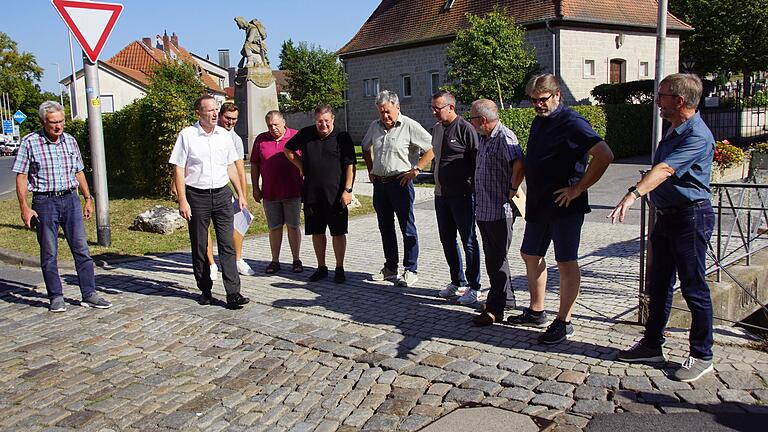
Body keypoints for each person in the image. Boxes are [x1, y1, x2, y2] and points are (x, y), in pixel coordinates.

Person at [611, 73, 716, 383]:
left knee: (694, 287)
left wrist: (633, 194)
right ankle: (652, 344)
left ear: (679, 101)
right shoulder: (673, 130)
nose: (656, 100)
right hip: (668, 217)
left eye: (662, 95)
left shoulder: (696, 134)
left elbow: (665, 169)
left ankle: (701, 354)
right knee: (658, 283)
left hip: (691, 217)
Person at [508, 73, 614, 343]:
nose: (537, 105)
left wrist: (578, 188)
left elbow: (604, 155)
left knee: (565, 261)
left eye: (542, 100)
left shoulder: (573, 122)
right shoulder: (539, 120)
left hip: (565, 205)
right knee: (529, 254)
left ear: (557, 95)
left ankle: (564, 321)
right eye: (533, 101)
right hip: (539, 203)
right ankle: (536, 310)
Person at [12, 101, 112, 312]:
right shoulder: (30, 142)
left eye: (61, 121)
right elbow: (21, 176)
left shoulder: (70, 141)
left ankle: (89, 294)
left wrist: (87, 198)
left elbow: (79, 171)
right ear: (43, 122)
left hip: (70, 199)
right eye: (53, 123)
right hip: (44, 202)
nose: (58, 127)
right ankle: (56, 296)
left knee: (81, 249)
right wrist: (24, 207)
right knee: (49, 252)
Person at [169, 95, 250, 310]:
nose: (215, 114)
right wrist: (182, 200)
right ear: (199, 113)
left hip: (222, 194)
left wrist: (240, 193)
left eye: (216, 109)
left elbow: (231, 166)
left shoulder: (224, 136)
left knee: (227, 244)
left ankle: (234, 293)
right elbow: (178, 168)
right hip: (197, 195)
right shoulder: (187, 136)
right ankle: (205, 289)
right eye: (210, 110)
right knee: (200, 244)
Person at [361, 90, 434, 287]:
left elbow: (432, 147)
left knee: (407, 228)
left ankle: (411, 269)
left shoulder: (409, 125)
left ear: (397, 107)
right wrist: (370, 169)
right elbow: (364, 147)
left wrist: (417, 169)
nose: (385, 116)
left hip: (400, 183)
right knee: (385, 227)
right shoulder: (374, 126)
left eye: (388, 111)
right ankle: (390, 268)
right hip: (380, 184)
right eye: (381, 112)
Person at [466, 99, 525, 326]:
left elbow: (519, 163)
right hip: (485, 209)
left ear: (482, 120)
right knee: (494, 258)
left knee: (496, 259)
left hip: (500, 211)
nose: (470, 122)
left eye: (471, 118)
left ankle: (495, 309)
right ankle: (506, 299)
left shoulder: (504, 137)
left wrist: (512, 189)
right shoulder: (484, 138)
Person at [284, 104, 356, 283]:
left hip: (336, 195)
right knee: (317, 232)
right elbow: (288, 150)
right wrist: (301, 166)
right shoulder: (307, 134)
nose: (323, 125)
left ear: (332, 120)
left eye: (326, 121)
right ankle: (321, 267)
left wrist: (347, 191)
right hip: (312, 193)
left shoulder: (342, 137)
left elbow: (350, 165)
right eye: (319, 122)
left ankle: (339, 268)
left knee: (338, 232)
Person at [430, 90, 483, 305]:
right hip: (441, 195)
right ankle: (457, 281)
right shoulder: (436, 129)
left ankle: (474, 286)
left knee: (468, 240)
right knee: (447, 240)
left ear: (451, 107)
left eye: (438, 108)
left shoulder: (465, 129)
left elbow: (478, 160)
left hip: (463, 195)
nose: (434, 112)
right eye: (432, 107)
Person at [251, 110, 303, 274]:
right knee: (274, 227)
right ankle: (275, 260)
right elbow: (254, 164)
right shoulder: (261, 139)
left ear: (283, 122)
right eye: (269, 125)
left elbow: (306, 160)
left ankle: (296, 259)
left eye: (275, 124)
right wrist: (255, 187)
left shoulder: (296, 136)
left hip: (293, 191)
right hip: (270, 192)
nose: (273, 128)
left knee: (293, 226)